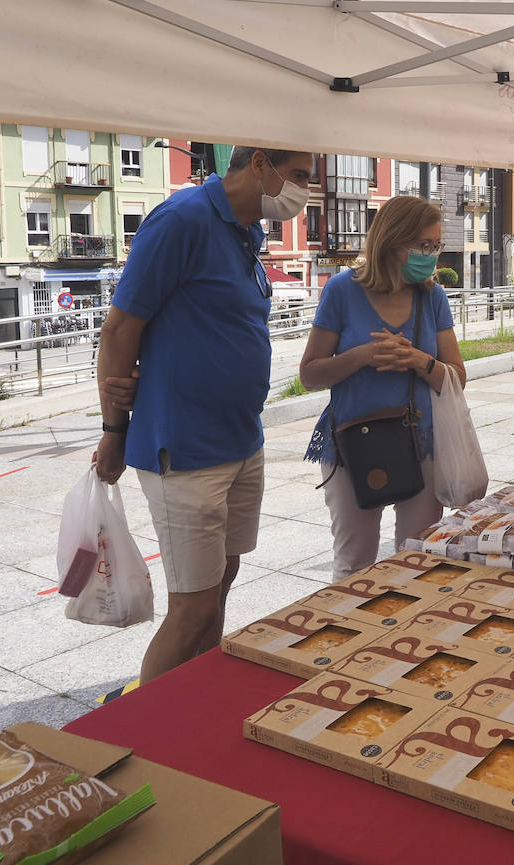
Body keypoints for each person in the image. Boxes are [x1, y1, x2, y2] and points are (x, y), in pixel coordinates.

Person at [94, 146, 314, 684]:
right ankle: (147, 733)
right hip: (184, 448)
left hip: (241, 439)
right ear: (260, 164)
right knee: (190, 607)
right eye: (301, 175)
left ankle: (194, 698)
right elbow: (121, 330)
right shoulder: (182, 219)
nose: (305, 191)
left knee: (223, 579)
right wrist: (112, 433)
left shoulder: (246, 231)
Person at [299, 196, 466, 580]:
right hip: (353, 443)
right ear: (393, 241)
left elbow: (457, 376)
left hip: (421, 442)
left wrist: (419, 362)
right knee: (355, 566)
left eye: (436, 246)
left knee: (417, 564)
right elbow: (310, 374)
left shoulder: (432, 295)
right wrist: (363, 355)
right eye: (424, 246)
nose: (432, 255)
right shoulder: (342, 290)